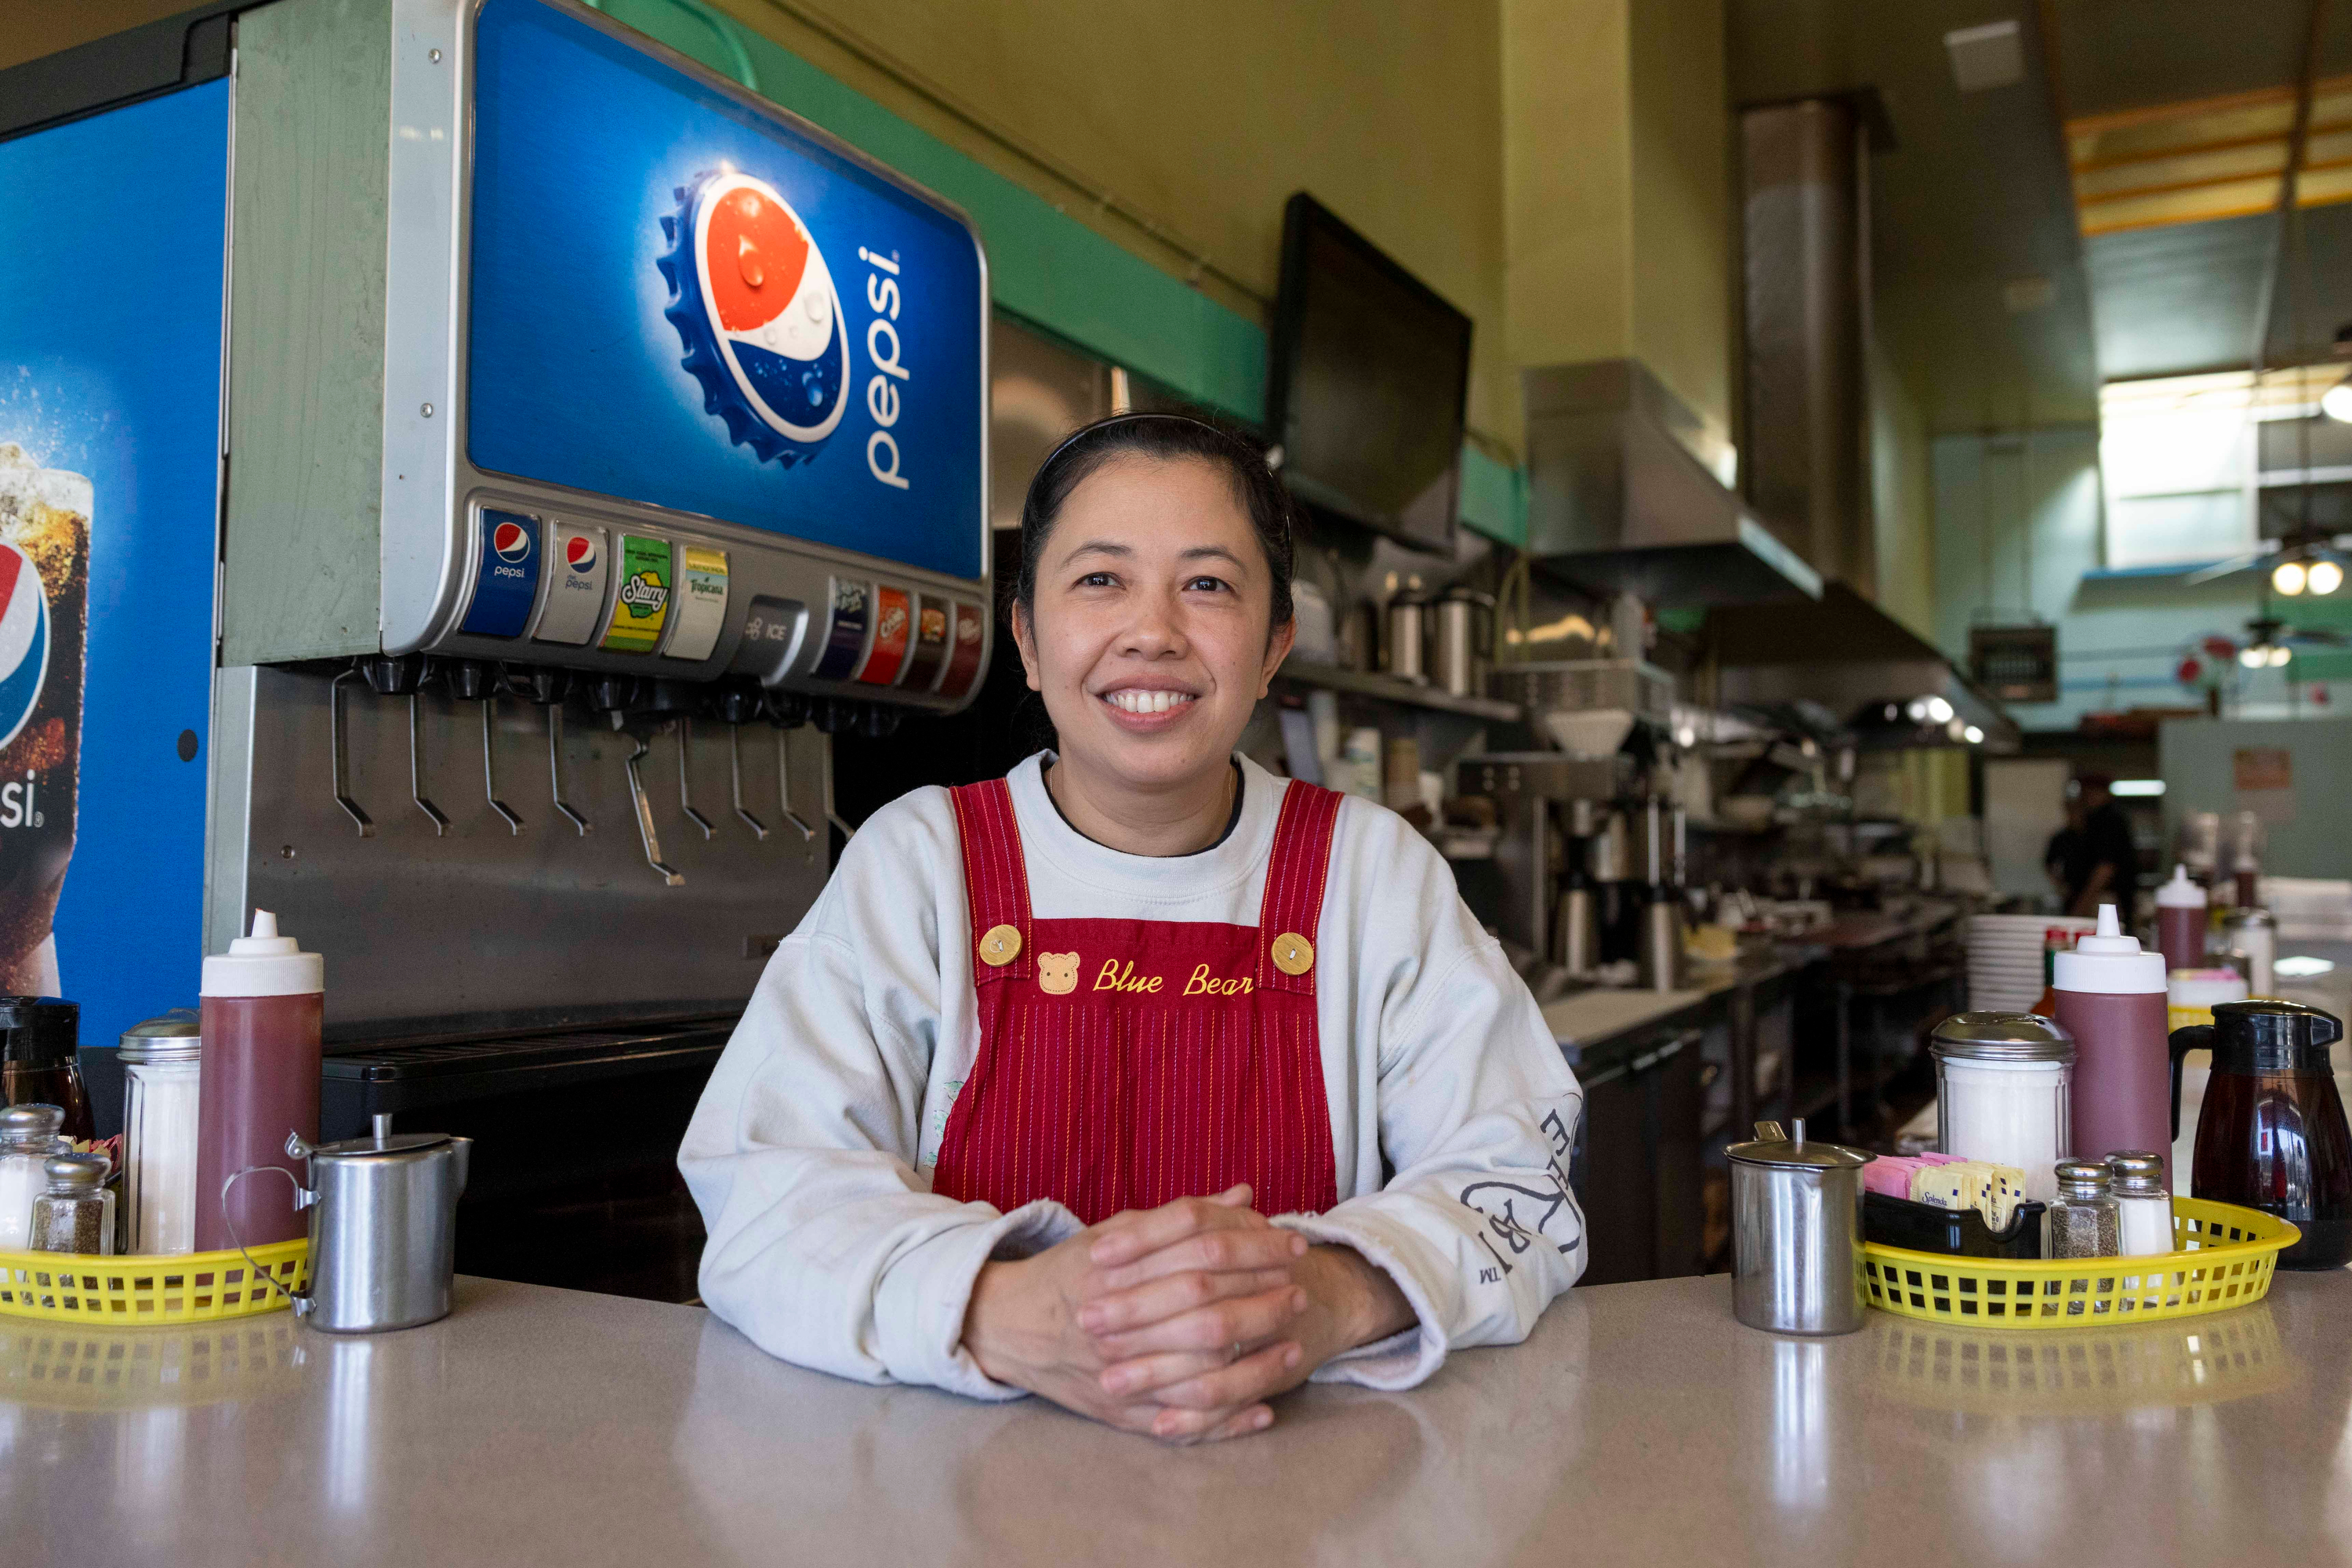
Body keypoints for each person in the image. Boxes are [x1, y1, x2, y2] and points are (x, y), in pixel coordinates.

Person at [681, 412, 1585, 1445]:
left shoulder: (1371, 875)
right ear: (1025, 637)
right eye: (1100, 580)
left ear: (1273, 645)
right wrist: (999, 1311)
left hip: (1302, 1487)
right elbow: (764, 1191)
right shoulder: (921, 864)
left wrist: (1326, 1296)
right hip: (955, 1495)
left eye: (1208, 585)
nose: (1152, 630)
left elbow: (1520, 1180)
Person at [2063, 771, 2139, 918]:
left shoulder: (2109, 821)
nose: (2086, 796)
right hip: (2096, 896)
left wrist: (2082, 904)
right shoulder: (2092, 820)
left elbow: (2105, 868)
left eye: (2090, 791)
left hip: (2103, 899)